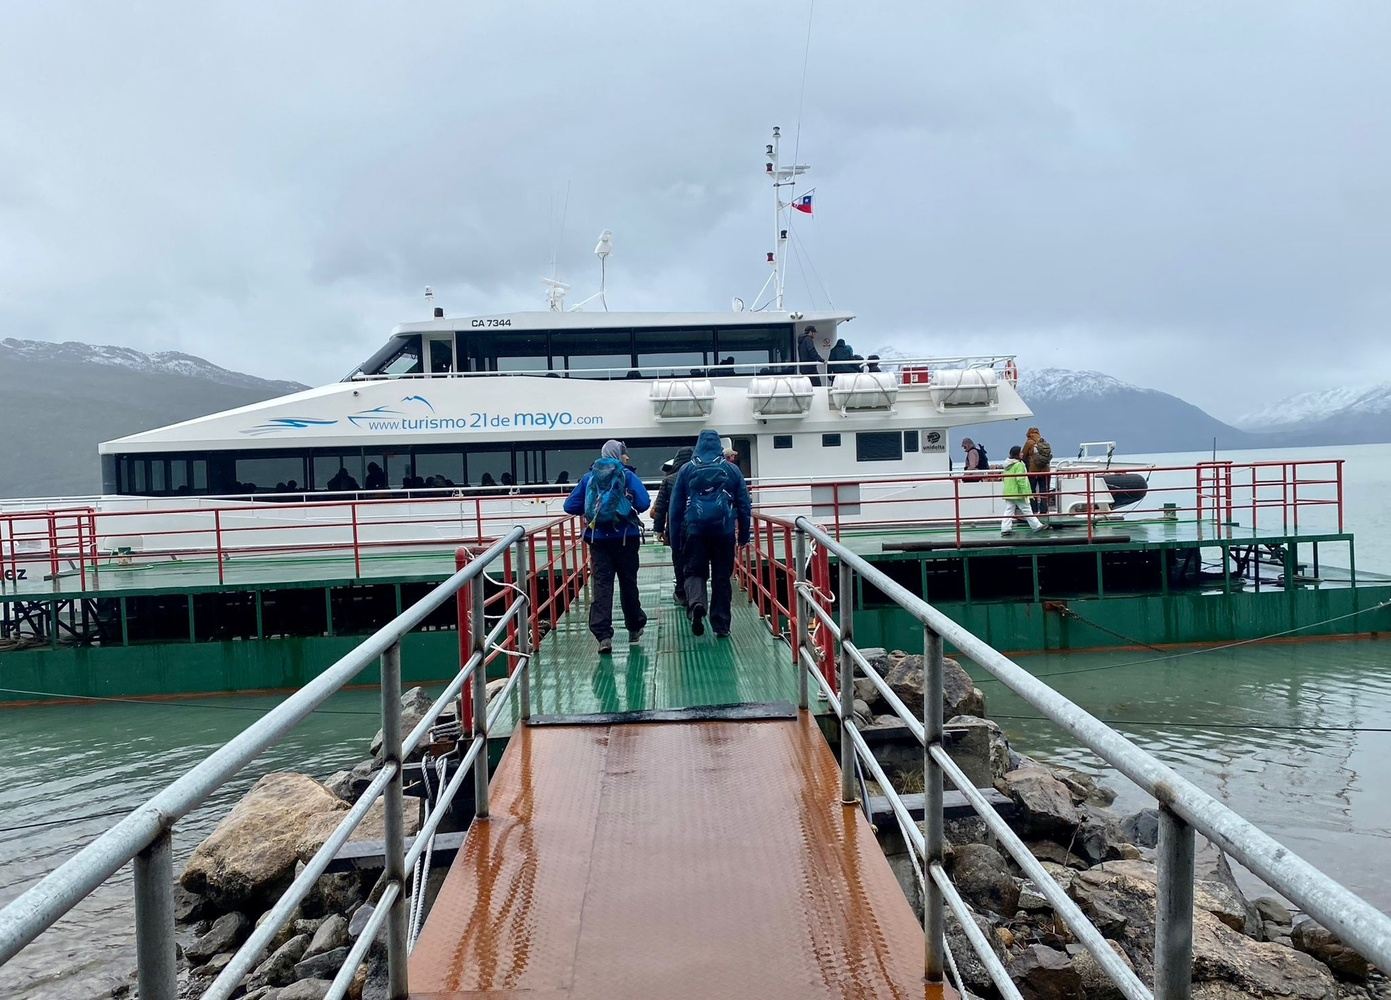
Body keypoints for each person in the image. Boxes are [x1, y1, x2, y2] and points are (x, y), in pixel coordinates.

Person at [563, 440, 650, 653]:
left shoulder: (589, 477)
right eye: (624, 453)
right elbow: (644, 503)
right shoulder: (627, 476)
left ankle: (603, 636)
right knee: (628, 583)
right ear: (618, 454)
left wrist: (592, 509)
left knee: (602, 585)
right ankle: (634, 627)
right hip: (626, 538)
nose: (627, 457)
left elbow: (569, 506)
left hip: (598, 539)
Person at [668, 429, 752, 637]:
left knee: (694, 572)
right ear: (719, 446)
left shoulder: (687, 469)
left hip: (694, 530)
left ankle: (697, 603)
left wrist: (675, 539)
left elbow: (675, 508)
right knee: (722, 577)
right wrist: (743, 534)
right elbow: (744, 504)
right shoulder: (731, 470)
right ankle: (721, 625)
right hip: (724, 531)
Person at [650, 446, 694, 607]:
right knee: (695, 558)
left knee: (678, 559)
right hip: (697, 526)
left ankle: (681, 592)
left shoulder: (668, 480)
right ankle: (696, 593)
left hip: (676, 528)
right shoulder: (698, 475)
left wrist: (658, 529)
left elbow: (660, 508)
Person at [1001, 446, 1045, 535]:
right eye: (1020, 452)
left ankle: (1005, 528)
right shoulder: (1019, 464)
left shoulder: (1007, 465)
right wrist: (1026, 493)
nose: (1022, 453)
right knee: (1026, 508)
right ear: (1017, 454)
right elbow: (1020, 479)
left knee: (1009, 510)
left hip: (1009, 491)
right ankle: (1037, 526)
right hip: (1018, 492)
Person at [1022, 427, 1054, 514]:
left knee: (1032, 491)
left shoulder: (1029, 442)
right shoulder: (1043, 441)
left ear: (1028, 433)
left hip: (1033, 471)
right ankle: (1044, 510)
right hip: (1045, 470)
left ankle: (1034, 510)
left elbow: (1023, 455)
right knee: (1044, 491)